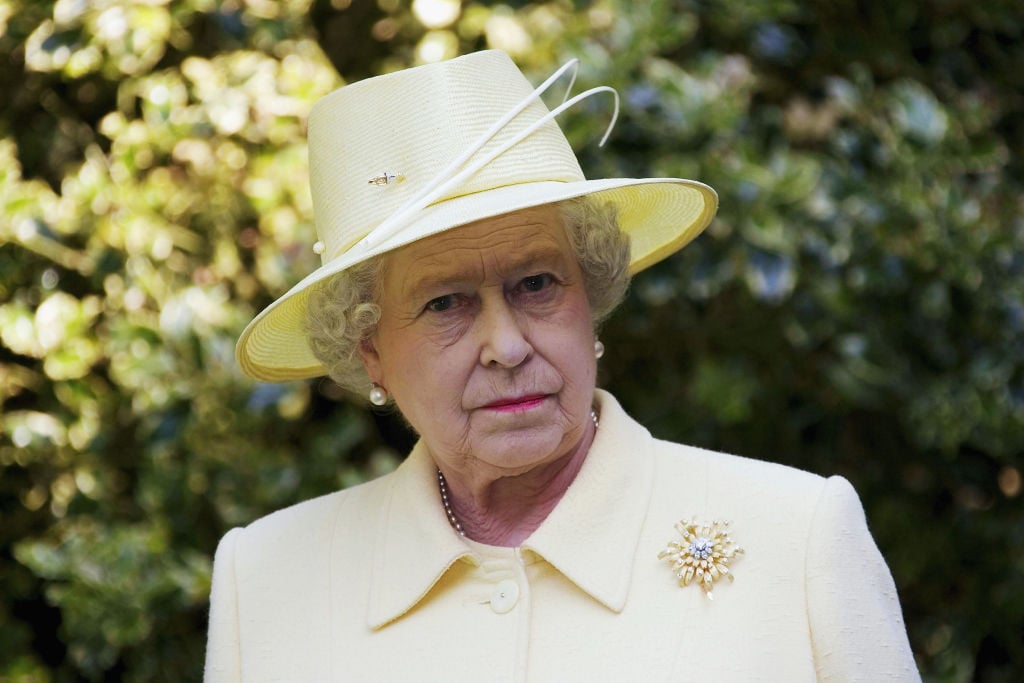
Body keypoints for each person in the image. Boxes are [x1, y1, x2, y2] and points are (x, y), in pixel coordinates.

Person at [205, 50, 919, 681]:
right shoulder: (265, 580)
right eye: (446, 303)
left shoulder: (797, 538)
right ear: (371, 353)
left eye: (538, 284)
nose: (507, 345)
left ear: (592, 297)